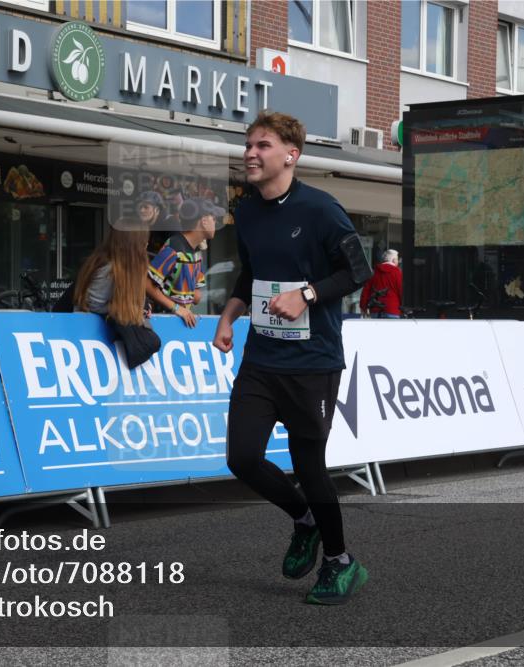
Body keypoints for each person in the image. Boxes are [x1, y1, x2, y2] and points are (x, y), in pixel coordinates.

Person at [212, 110, 372, 605]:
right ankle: (304, 520)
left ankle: (341, 561)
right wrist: (229, 316)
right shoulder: (248, 210)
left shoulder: (321, 209)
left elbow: (358, 271)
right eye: (248, 146)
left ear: (290, 154)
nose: (251, 153)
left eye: (262, 146)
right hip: (262, 358)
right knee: (242, 456)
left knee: (309, 466)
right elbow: (250, 272)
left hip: (313, 361)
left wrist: (305, 294)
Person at [146, 197, 222, 328]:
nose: (215, 223)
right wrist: (177, 307)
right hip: (161, 321)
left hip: (179, 323)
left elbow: (197, 296)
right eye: (213, 219)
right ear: (203, 221)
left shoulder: (196, 250)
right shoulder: (173, 247)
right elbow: (147, 284)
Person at [72, 221, 151, 327]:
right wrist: (125, 308)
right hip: (87, 330)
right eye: (143, 241)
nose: (146, 245)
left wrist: (143, 307)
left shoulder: (132, 268)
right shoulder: (107, 268)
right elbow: (90, 305)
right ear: (133, 245)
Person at [360, 249, 403, 318]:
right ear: (394, 260)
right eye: (397, 259)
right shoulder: (397, 273)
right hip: (392, 309)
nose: (398, 262)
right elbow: (401, 291)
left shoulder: (374, 272)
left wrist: (363, 307)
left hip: (375, 309)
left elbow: (366, 291)